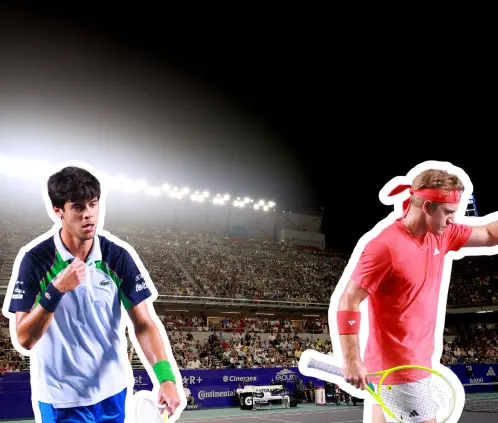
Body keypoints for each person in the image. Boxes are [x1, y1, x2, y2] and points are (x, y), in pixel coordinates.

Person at [5, 166, 182, 423]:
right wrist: (55, 291)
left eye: (93, 204)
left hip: (113, 393)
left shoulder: (117, 257)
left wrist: (165, 377)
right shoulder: (36, 261)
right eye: (77, 207)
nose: (88, 214)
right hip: (62, 399)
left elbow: (143, 324)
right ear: (58, 211)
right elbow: (24, 339)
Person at [336, 168, 498, 423]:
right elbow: (349, 299)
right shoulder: (385, 246)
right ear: (427, 206)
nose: (452, 220)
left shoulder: (441, 235)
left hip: (406, 367)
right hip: (400, 369)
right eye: (448, 212)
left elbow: (489, 234)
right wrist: (351, 359)